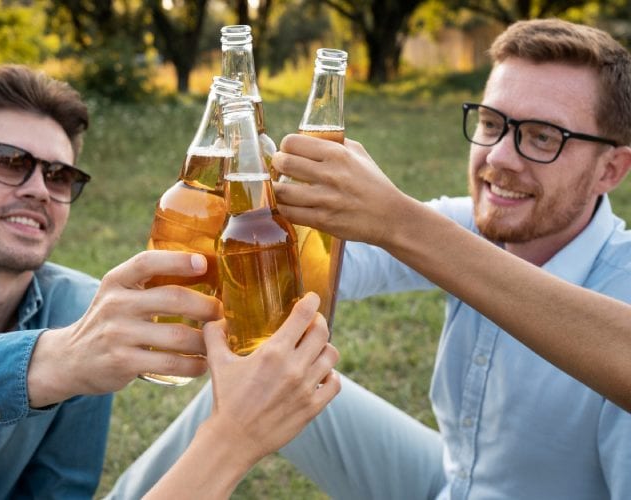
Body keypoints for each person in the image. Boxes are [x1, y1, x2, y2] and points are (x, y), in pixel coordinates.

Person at [107, 18, 631, 499]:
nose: (498, 158)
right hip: (449, 484)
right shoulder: (476, 227)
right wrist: (236, 226)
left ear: (611, 169)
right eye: (492, 125)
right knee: (254, 394)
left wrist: (400, 221)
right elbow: (323, 266)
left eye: (542, 137)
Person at [0, 64, 340, 498]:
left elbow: (60, 490)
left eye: (59, 176)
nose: (39, 189)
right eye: (10, 162)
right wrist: (58, 359)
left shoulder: (81, 307)